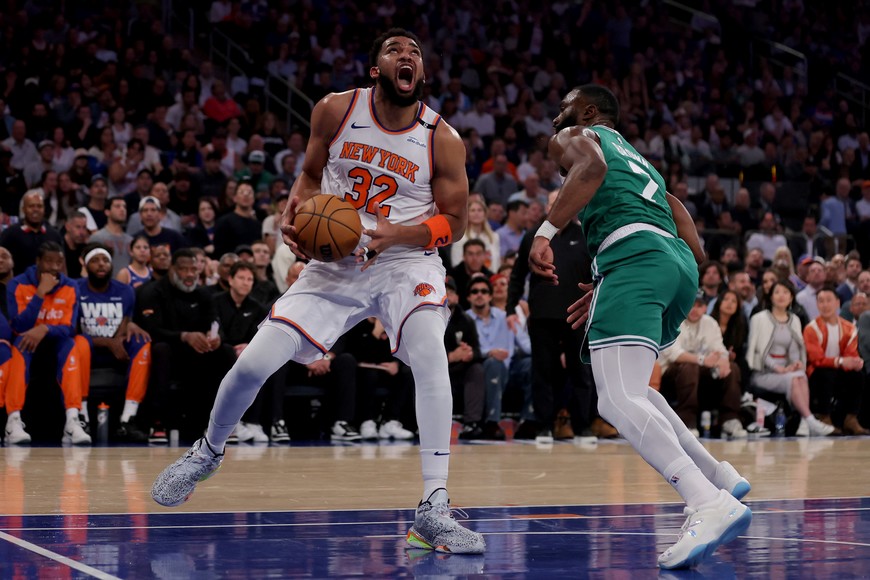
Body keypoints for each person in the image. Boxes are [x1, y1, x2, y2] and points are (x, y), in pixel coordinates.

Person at [151, 29, 485, 555]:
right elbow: (308, 176)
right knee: (253, 364)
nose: (408, 56)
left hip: (406, 261)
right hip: (336, 265)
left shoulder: (441, 138)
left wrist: (394, 234)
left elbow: (456, 224)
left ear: (421, 74)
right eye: (396, 49)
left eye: (416, 52)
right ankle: (208, 451)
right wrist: (294, 214)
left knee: (430, 360)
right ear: (376, 68)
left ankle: (433, 507)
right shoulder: (335, 110)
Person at [528, 85, 751, 569]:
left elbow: (591, 169)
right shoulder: (641, 160)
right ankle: (716, 475)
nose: (556, 118)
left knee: (614, 399)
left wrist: (546, 233)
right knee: (635, 389)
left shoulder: (576, 136)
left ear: (588, 112)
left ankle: (705, 502)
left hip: (637, 260)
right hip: (673, 264)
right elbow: (679, 214)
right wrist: (630, 274)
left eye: (564, 106)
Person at [4, 241, 90, 445]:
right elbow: (17, 326)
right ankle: (13, 421)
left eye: (59, 262)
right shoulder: (17, 284)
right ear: (38, 262)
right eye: (49, 261)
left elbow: (70, 327)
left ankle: (72, 420)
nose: (54, 267)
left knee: (72, 344)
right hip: (27, 343)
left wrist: (45, 328)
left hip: (55, 341)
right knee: (18, 346)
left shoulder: (71, 286)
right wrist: (40, 293)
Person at [73, 243, 151, 442]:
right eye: (95, 261)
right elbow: (71, 331)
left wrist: (129, 327)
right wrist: (107, 342)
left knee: (143, 344)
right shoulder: (75, 289)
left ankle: (128, 418)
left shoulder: (125, 291)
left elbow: (125, 321)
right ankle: (81, 417)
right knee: (77, 343)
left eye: (105, 260)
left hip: (118, 349)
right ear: (85, 265)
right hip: (87, 349)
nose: (101, 265)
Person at [746, 281, 834, 436]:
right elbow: (758, 350)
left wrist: (795, 364)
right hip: (763, 372)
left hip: (787, 372)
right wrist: (778, 368)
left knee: (800, 375)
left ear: (791, 297)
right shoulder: (759, 319)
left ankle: (804, 423)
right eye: (777, 292)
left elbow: (795, 349)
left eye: (785, 292)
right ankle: (809, 420)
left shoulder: (795, 320)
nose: (781, 296)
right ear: (771, 297)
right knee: (794, 379)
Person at [803, 287, 868, 435]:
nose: (825, 305)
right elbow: (816, 360)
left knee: (858, 375)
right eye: (821, 301)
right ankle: (824, 416)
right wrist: (840, 362)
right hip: (816, 374)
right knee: (826, 372)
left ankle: (851, 418)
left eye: (828, 301)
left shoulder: (849, 328)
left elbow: (850, 354)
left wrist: (855, 362)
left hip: (839, 372)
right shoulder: (811, 329)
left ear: (838, 303)